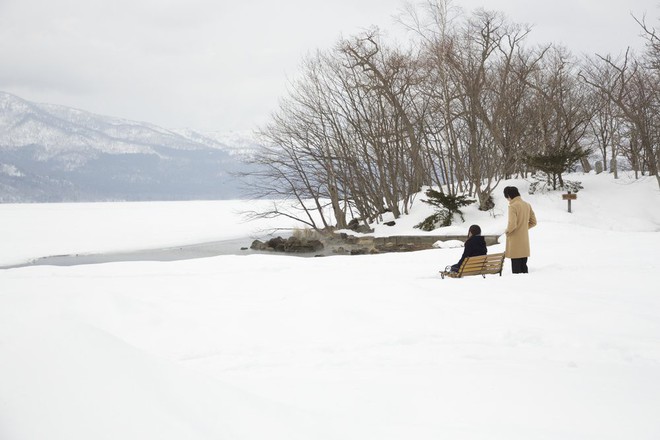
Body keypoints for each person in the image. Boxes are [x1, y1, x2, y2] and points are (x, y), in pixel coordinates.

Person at [503, 186, 537, 273]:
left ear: (509, 196)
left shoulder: (513, 207)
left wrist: (507, 231)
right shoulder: (527, 205)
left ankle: (517, 286)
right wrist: (523, 228)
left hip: (515, 242)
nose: (507, 200)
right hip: (524, 242)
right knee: (524, 267)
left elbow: (512, 224)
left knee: (516, 269)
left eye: (507, 197)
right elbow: (533, 222)